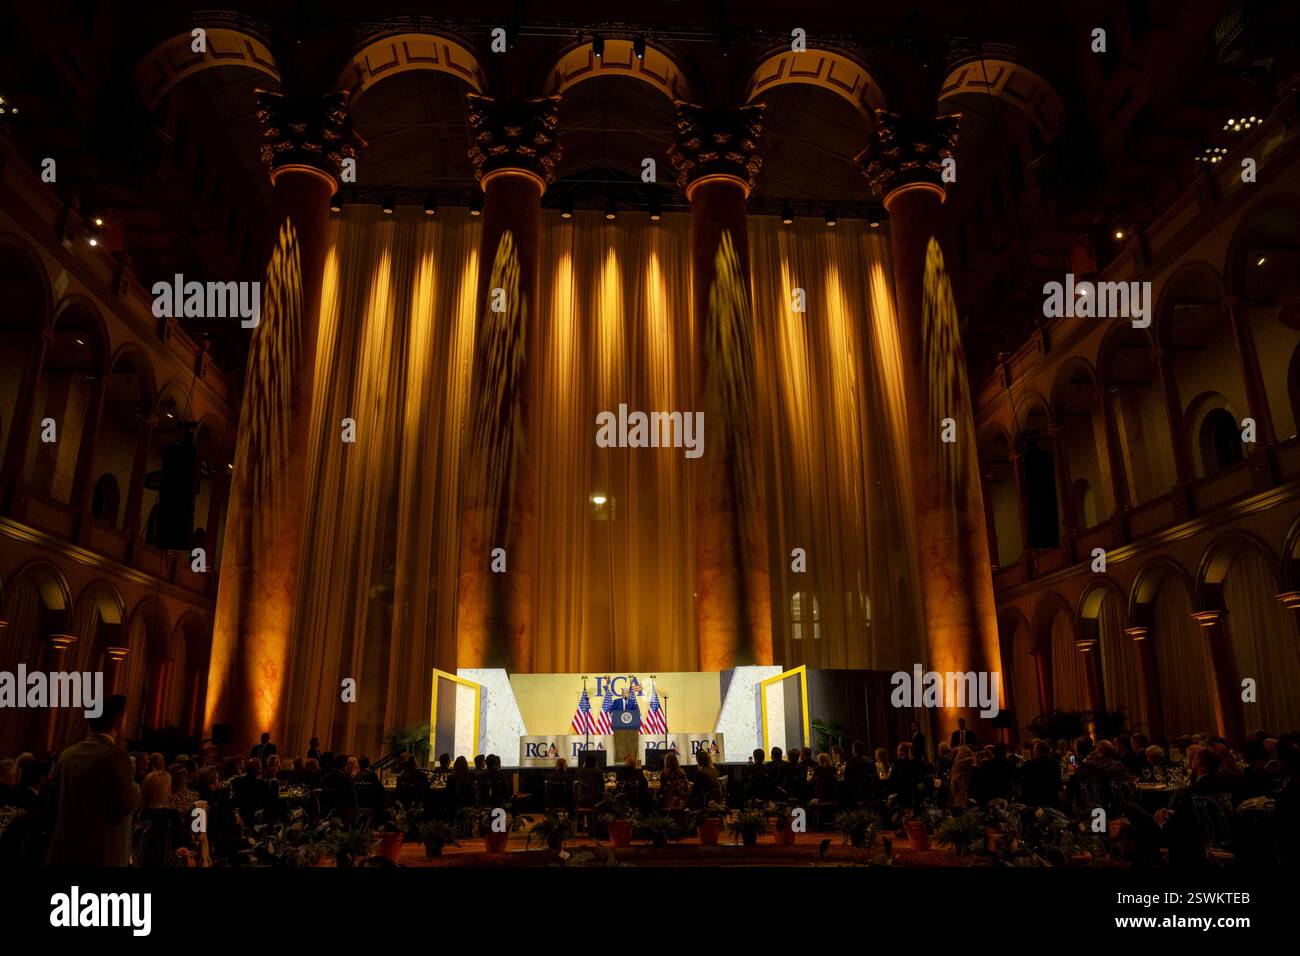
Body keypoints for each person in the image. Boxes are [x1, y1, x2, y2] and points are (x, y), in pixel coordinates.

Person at [46, 694, 139, 866]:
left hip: (68, 848)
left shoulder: (68, 754)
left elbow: (54, 799)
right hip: (102, 852)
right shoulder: (117, 756)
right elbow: (126, 804)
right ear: (119, 722)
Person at [1016, 740, 1061, 808]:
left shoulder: (1030, 764)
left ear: (1037, 751)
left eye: (1034, 749)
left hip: (1034, 800)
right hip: (1052, 798)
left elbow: (1017, 775)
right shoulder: (1056, 764)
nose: (1033, 751)